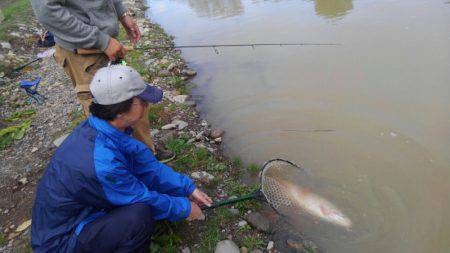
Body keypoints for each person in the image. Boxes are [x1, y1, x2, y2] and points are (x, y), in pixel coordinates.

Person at [30, 65, 213, 252]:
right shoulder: (104, 163)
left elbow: (148, 168)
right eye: (141, 100)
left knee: (147, 190)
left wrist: (187, 187)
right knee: (139, 215)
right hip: (62, 241)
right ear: (120, 110)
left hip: (87, 210)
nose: (146, 104)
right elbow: (141, 197)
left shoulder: (103, 126)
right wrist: (184, 208)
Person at [30, 0, 171, 158]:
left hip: (107, 43)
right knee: (105, 113)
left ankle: (145, 153)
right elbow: (47, 13)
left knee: (134, 98)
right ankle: (119, 163)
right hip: (82, 51)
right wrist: (101, 40)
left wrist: (122, 13)